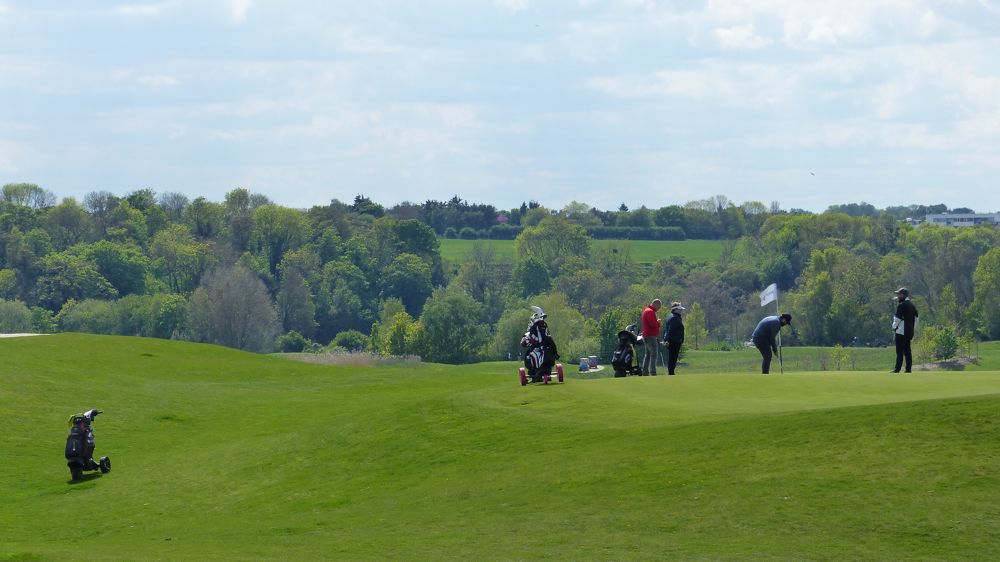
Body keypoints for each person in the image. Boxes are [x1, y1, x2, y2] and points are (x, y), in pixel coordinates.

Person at [891, 287, 919, 373]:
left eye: (899, 294)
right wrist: (912, 328)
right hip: (909, 332)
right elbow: (917, 319)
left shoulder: (902, 305)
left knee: (899, 351)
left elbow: (897, 319)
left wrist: (894, 327)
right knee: (907, 351)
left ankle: (897, 369)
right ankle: (908, 369)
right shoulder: (912, 305)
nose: (898, 296)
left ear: (903, 295)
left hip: (901, 331)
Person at [661, 302, 685, 375]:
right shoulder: (675, 318)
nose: (681, 311)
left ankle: (671, 372)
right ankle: (671, 373)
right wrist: (667, 340)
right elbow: (671, 330)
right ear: (675, 309)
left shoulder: (671, 316)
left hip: (674, 340)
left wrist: (666, 339)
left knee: (672, 358)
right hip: (674, 341)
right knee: (673, 358)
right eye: (680, 309)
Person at [640, 299, 662, 375]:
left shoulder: (646, 310)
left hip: (646, 336)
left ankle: (645, 372)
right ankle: (653, 372)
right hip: (650, 337)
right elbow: (652, 324)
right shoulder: (650, 312)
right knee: (654, 355)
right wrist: (658, 322)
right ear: (656, 304)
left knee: (648, 355)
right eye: (659, 307)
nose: (658, 309)